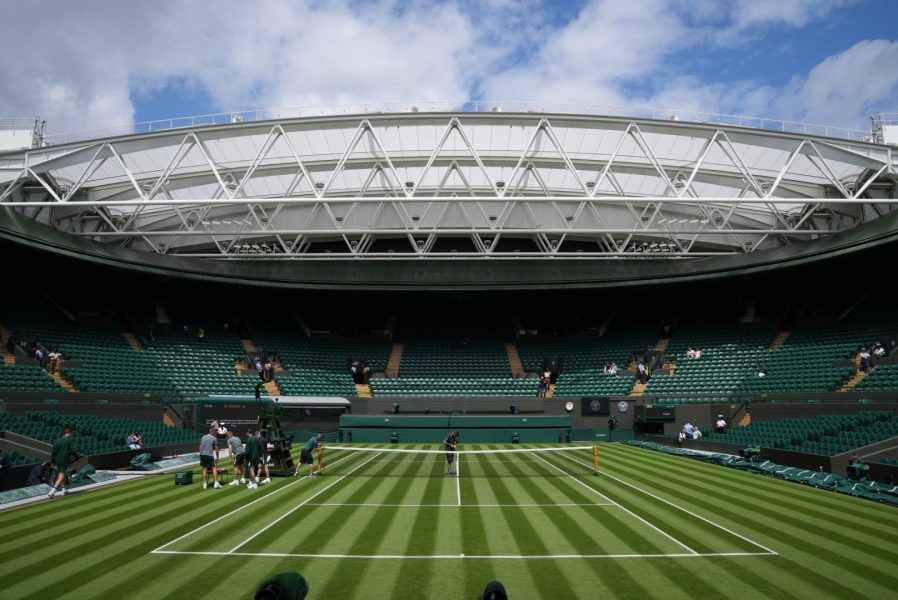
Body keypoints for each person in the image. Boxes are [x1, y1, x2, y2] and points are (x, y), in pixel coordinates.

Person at [48, 427, 80, 498]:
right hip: (64, 461)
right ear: (69, 433)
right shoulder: (69, 440)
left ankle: (63, 490)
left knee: (63, 474)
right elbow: (74, 451)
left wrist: (52, 462)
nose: (72, 435)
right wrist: (77, 457)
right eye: (71, 433)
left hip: (57, 461)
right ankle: (52, 491)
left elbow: (53, 453)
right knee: (61, 475)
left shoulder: (57, 441)